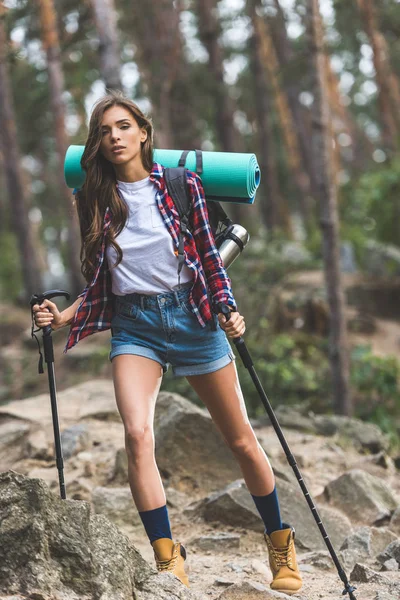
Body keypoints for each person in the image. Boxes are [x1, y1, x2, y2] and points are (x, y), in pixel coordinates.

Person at [33, 91, 302, 595]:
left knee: (241, 439)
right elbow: (102, 279)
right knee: (137, 435)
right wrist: (63, 315)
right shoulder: (93, 198)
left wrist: (230, 311)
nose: (114, 136)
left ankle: (279, 542)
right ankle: (167, 556)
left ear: (143, 133)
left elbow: (208, 256)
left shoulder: (183, 185)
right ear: (98, 143)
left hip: (194, 317)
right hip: (136, 325)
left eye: (123, 127)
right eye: (104, 131)